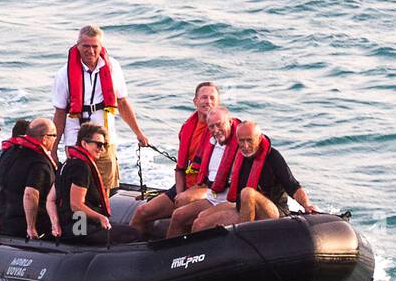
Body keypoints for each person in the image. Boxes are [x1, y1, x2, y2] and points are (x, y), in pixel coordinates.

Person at [51, 25, 150, 193]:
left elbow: (123, 103)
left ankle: (103, 218)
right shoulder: (64, 74)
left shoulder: (112, 67)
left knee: (106, 188)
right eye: (86, 46)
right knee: (80, 186)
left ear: (101, 47)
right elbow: (60, 113)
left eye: (95, 46)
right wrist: (53, 150)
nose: (90, 51)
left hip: (105, 138)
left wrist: (138, 133)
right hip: (76, 138)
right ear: (77, 46)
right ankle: (80, 219)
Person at [191, 121, 320, 231]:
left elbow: (293, 186)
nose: (245, 146)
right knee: (200, 221)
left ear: (258, 138)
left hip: (274, 212)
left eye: (249, 140)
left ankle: (244, 240)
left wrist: (307, 205)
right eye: (242, 141)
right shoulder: (239, 156)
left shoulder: (273, 157)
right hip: (243, 208)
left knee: (248, 193)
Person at [131, 81, 221, 234]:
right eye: (204, 97)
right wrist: (180, 193)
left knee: (183, 202)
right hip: (187, 182)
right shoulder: (187, 127)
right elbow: (180, 168)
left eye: (212, 98)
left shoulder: (222, 130)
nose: (208, 102)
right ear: (195, 101)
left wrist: (183, 197)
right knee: (142, 212)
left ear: (218, 103)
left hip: (209, 187)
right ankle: (133, 251)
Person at [49, 122, 141, 244]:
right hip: (80, 229)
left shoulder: (67, 163)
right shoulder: (81, 167)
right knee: (133, 234)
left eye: (104, 145)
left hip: (69, 227)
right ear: (84, 143)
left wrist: (56, 224)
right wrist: (101, 217)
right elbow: (76, 205)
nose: (102, 149)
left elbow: (50, 200)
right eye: (98, 145)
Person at [165, 106, 242, 237]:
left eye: (219, 125)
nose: (216, 130)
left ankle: (193, 255)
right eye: (212, 127)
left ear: (230, 122)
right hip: (212, 197)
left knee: (199, 223)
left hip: (230, 201)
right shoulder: (211, 144)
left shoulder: (241, 146)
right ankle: (169, 253)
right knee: (178, 216)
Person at [0, 118, 60, 239]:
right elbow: (30, 194)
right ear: (44, 138)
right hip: (30, 228)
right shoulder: (39, 162)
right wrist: (31, 228)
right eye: (54, 135)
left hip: (5, 223)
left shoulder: (9, 152)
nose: (56, 139)